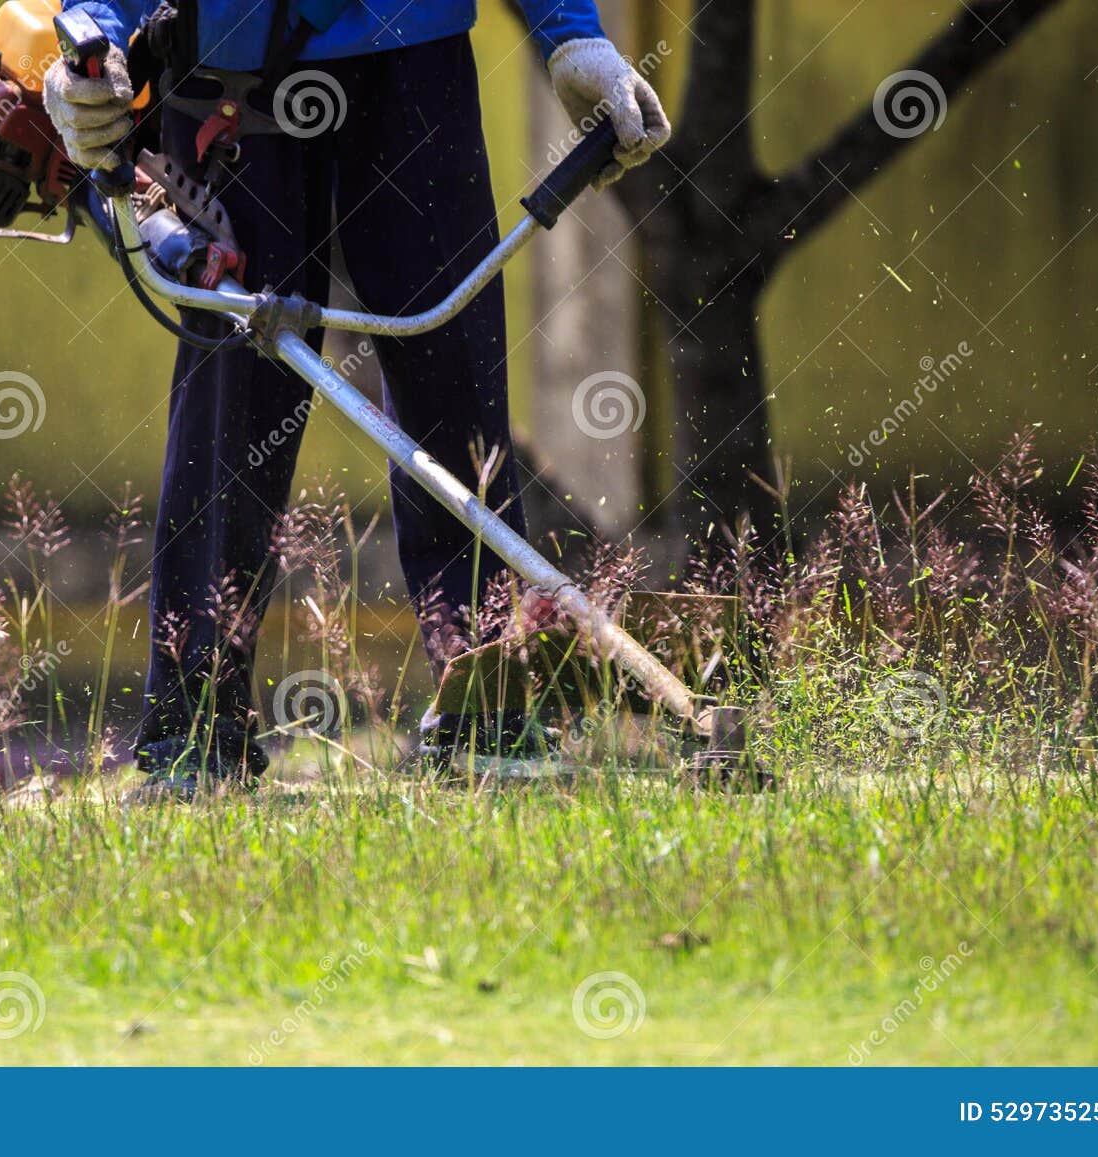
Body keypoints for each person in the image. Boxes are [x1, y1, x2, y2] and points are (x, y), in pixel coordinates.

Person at [44, 0, 670, 795]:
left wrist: (570, 32)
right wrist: (98, 23)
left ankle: (491, 705)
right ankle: (196, 728)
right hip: (229, 63)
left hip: (411, 51)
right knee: (231, 394)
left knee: (454, 379)